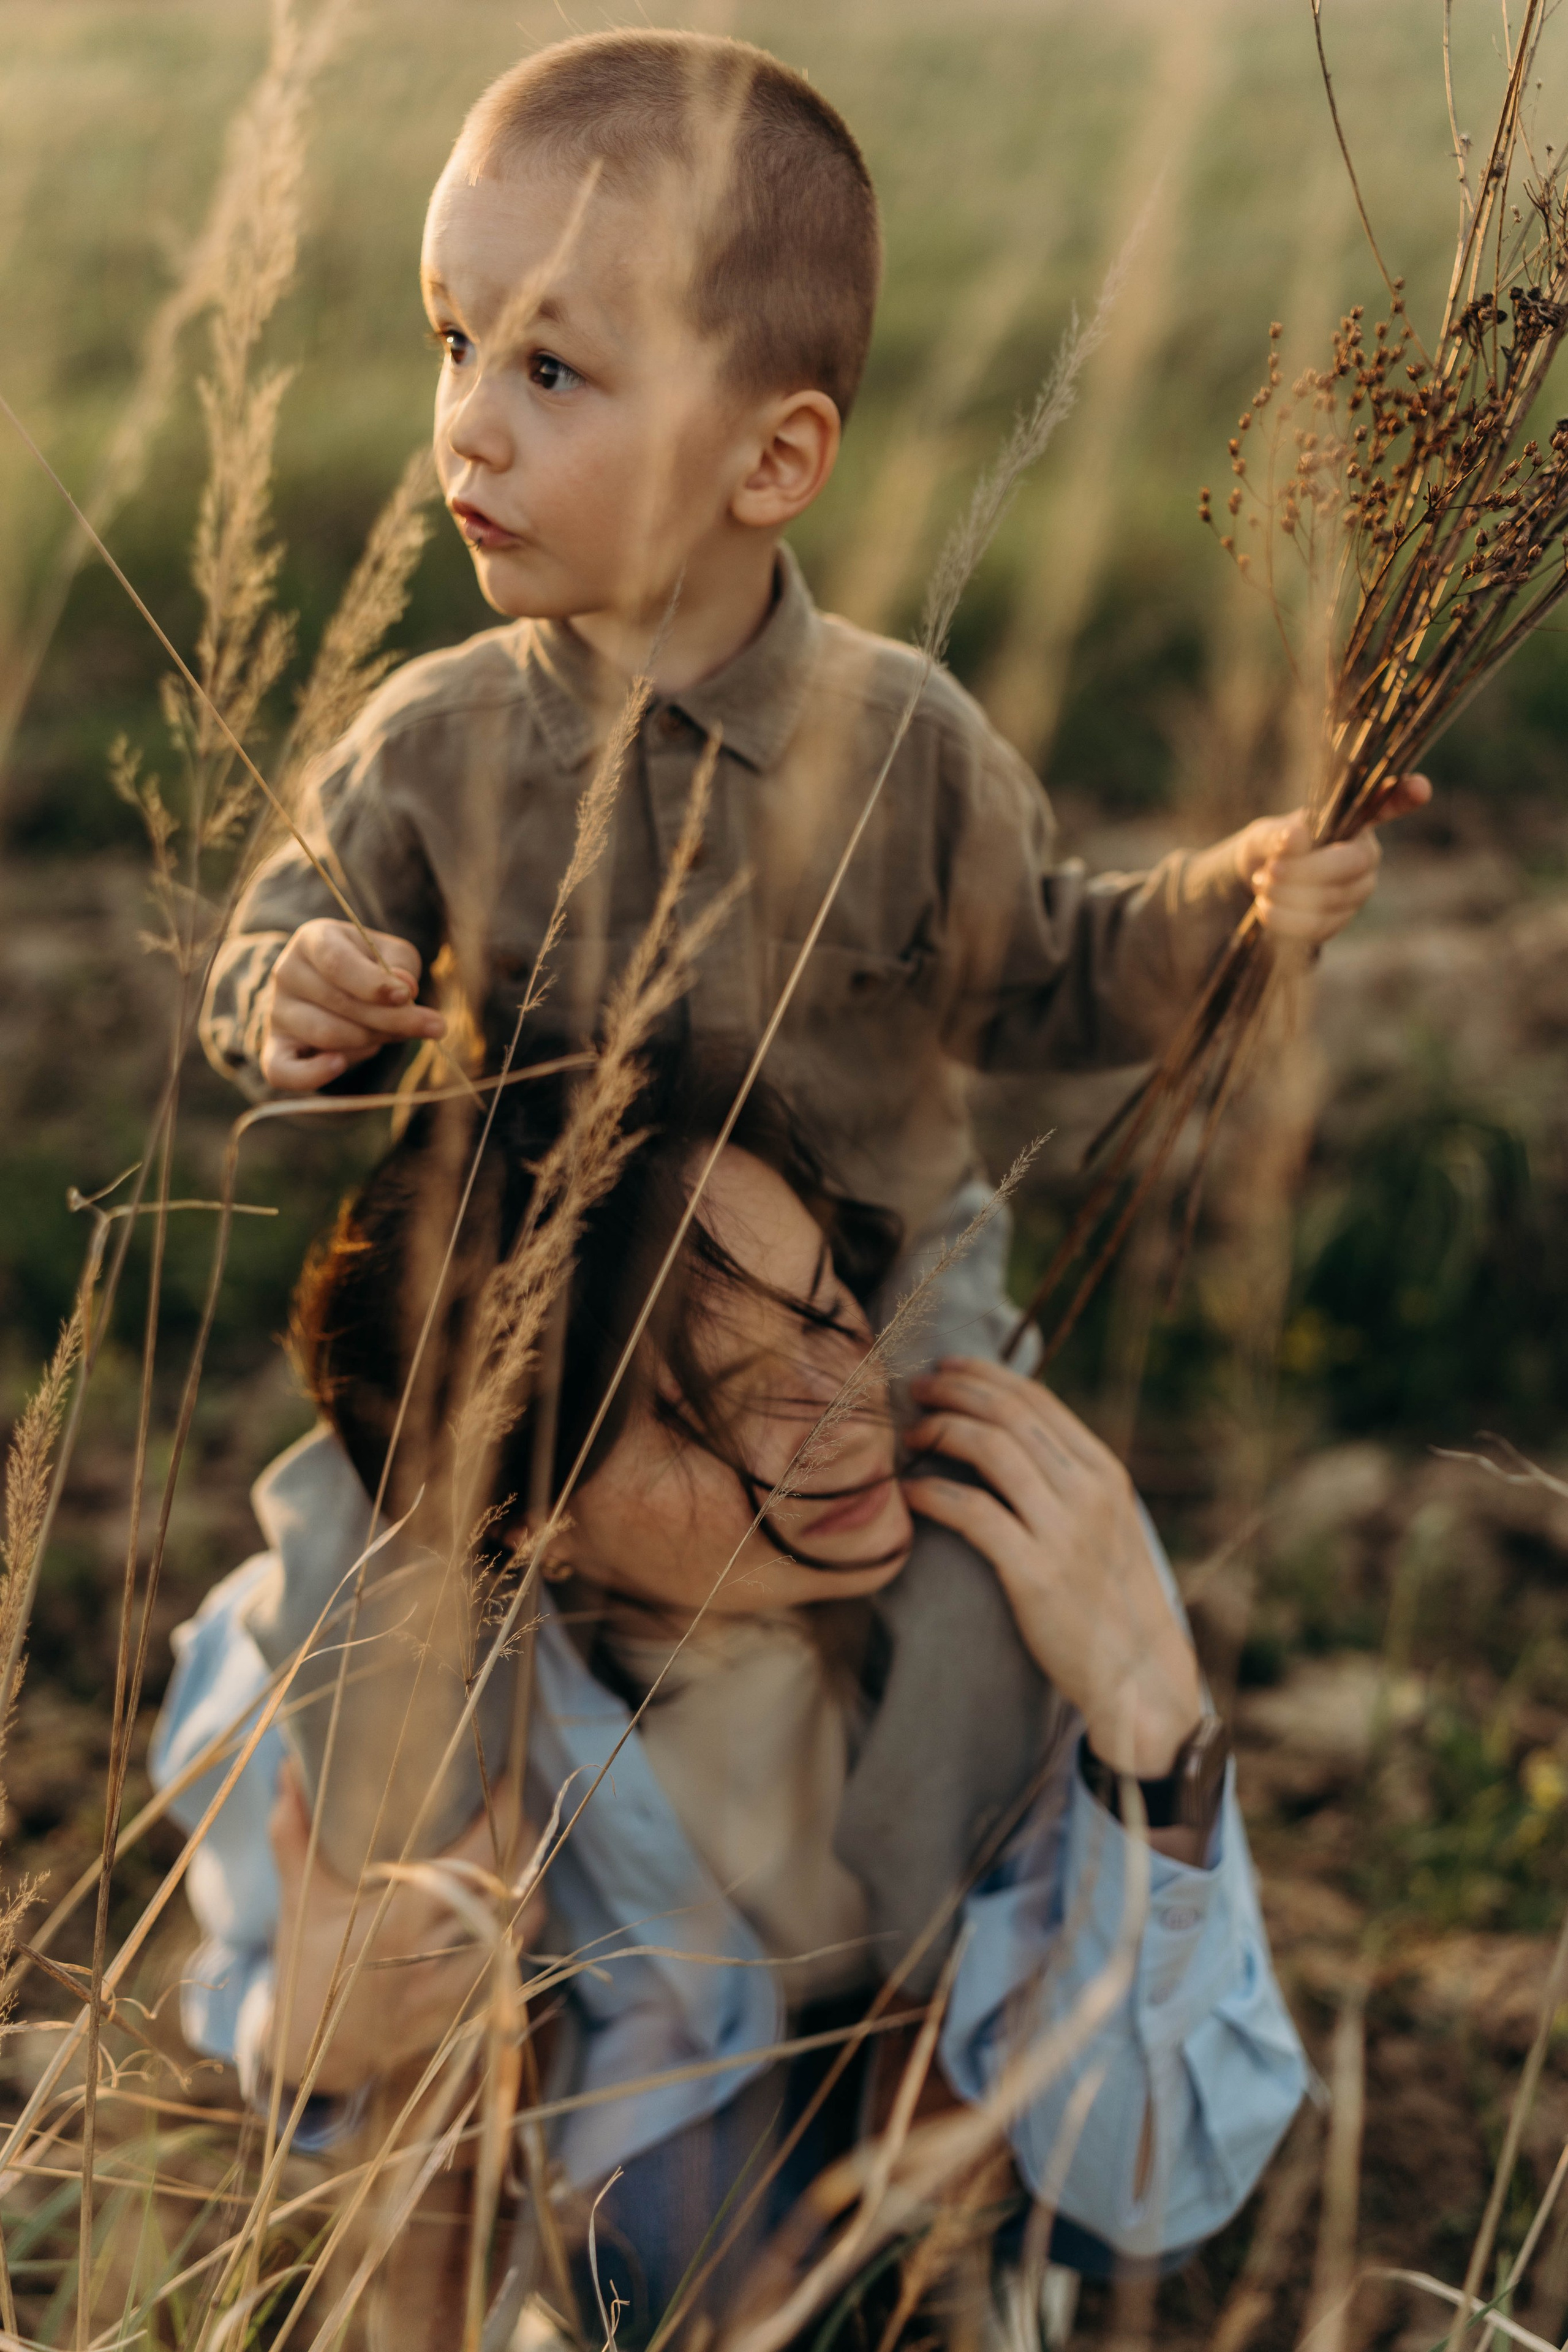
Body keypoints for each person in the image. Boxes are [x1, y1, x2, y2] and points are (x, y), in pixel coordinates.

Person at [198, 25, 1428, 1370]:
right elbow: (267, 963)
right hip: (546, 1340)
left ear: (772, 457)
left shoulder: (911, 747)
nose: (466, 425)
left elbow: (1044, 978)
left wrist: (1237, 903)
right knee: (343, 1567)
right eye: (453, 341)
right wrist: (295, 999)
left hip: (874, 1317)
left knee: (988, 1571)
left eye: (547, 368)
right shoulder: (431, 748)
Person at [151, 1051, 1307, 2350]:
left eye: (824, 1311)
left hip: (964, 2071)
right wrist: (321, 2046)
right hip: (646, 2104)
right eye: (719, 1408)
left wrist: (1151, 1727)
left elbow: (1151, 2195)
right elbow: (277, 2035)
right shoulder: (361, 1686)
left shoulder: (1030, 1572)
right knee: (638, 2274)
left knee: (1043, 2204)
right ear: (533, 1529)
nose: (843, 1413)